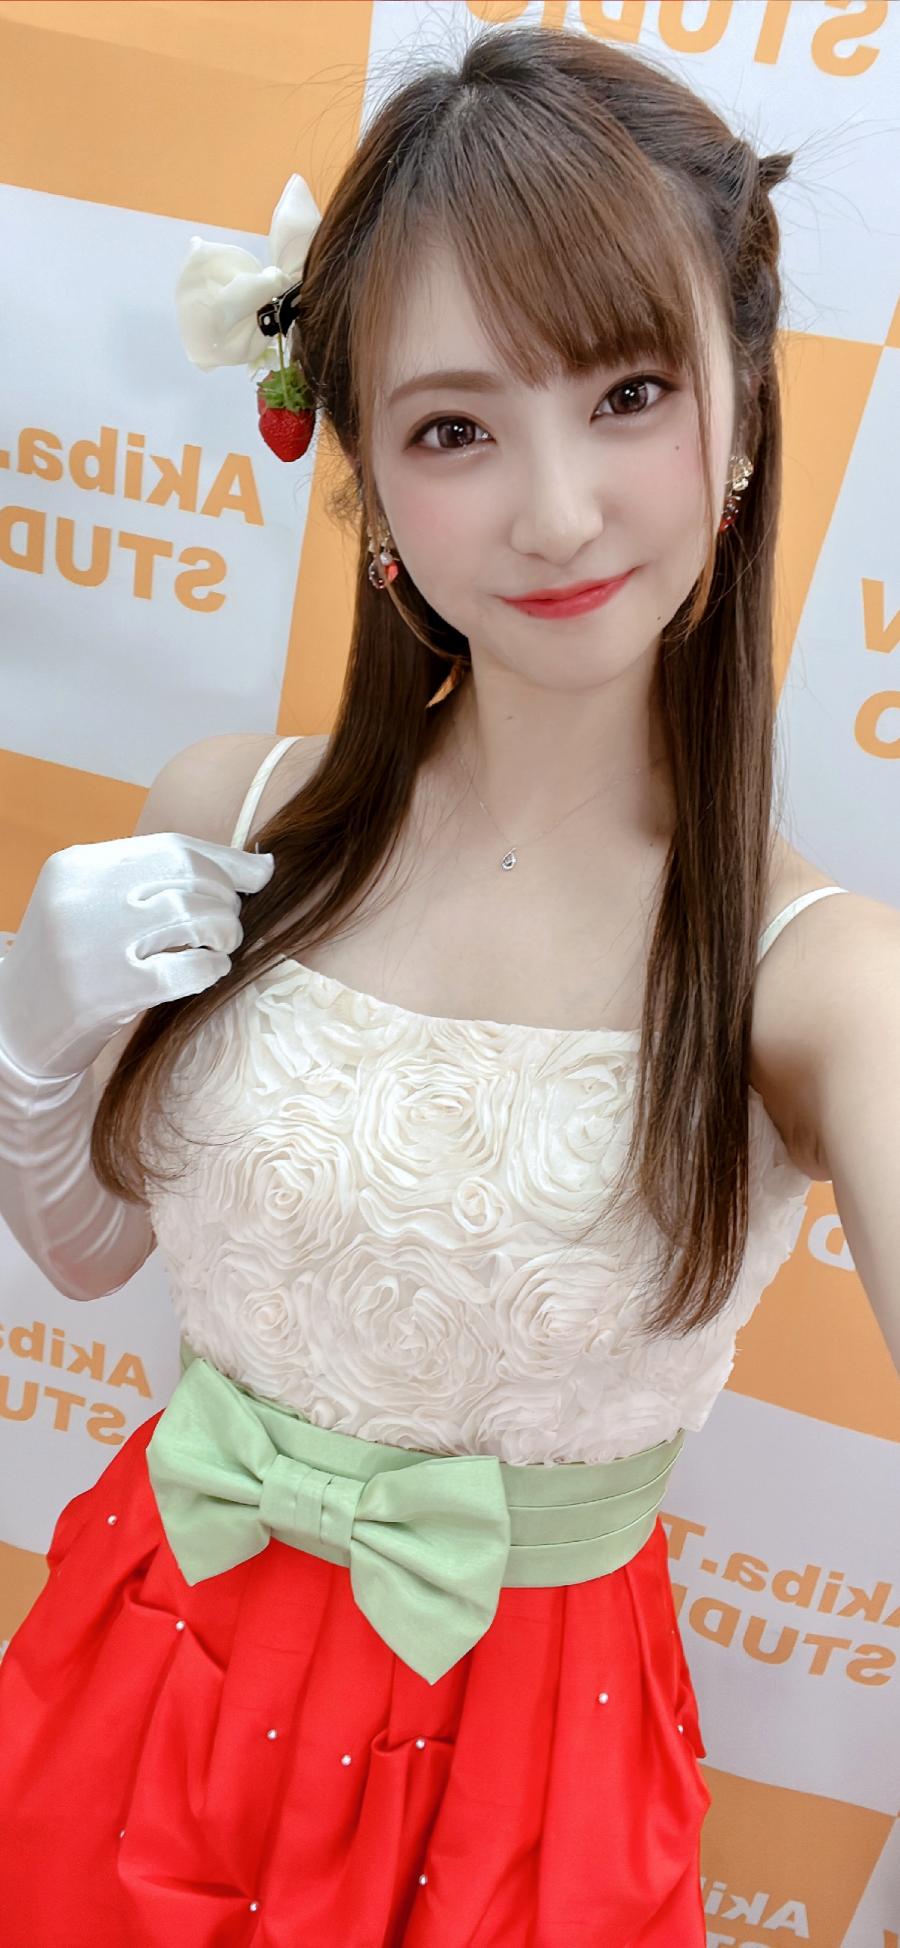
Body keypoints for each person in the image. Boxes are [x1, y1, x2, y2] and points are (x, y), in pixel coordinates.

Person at [0, 22, 857, 1947]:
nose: (554, 511)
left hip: (521, 1769)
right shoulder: (233, 819)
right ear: (369, 478)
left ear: (739, 404)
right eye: (456, 429)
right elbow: (84, 1254)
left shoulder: (816, 978)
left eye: (628, 393)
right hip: (149, 1654)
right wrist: (27, 1038)